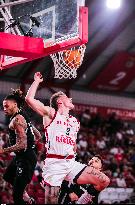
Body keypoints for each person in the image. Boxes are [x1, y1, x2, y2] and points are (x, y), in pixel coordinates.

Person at [25, 72, 110, 204]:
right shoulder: (51, 113)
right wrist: (36, 81)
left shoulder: (74, 121)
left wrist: (72, 150)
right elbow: (29, 99)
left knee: (104, 181)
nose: (70, 99)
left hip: (71, 163)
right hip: (54, 164)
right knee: (51, 201)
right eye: (67, 97)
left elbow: (73, 143)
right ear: (59, 102)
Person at [0, 89, 40, 204]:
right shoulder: (22, 113)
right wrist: (32, 139)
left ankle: (26, 199)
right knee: (8, 176)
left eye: (7, 106)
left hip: (26, 158)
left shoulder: (17, 119)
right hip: (22, 155)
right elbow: (37, 134)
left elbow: (22, 145)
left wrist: (4, 150)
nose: (5, 109)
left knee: (17, 197)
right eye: (3, 106)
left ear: (15, 104)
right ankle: (28, 198)